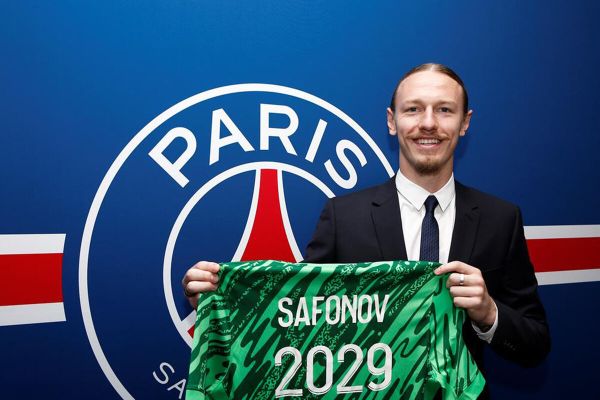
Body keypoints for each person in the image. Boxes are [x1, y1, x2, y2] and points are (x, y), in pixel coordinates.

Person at [182, 63, 551, 397]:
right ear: (392, 121)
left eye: (444, 110)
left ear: (465, 122)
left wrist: (488, 312)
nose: (428, 123)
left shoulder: (500, 218)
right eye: (413, 109)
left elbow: (536, 345)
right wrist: (223, 304)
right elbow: (296, 322)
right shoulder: (343, 216)